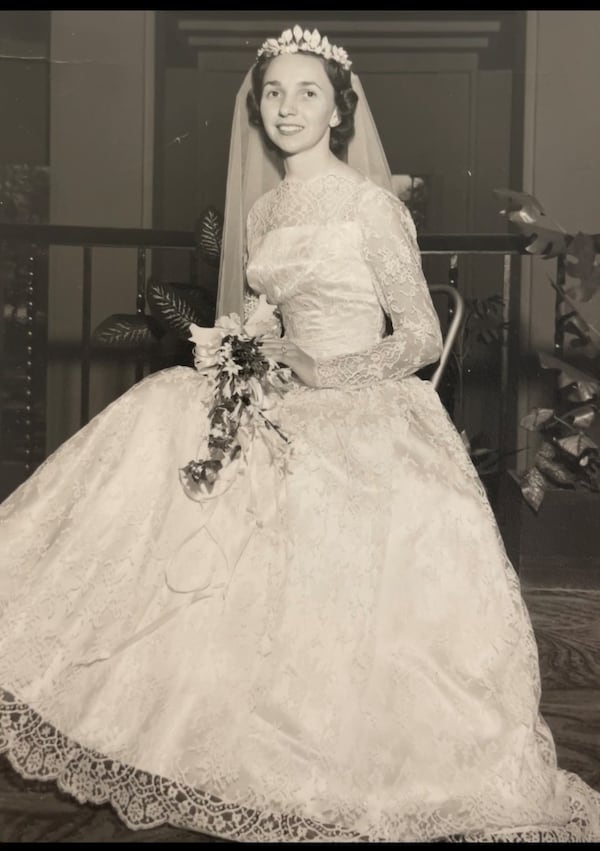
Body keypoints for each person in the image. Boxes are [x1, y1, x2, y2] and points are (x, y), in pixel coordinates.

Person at [0, 24, 599, 844]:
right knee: (164, 412)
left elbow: (421, 335)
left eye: (306, 92)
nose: (287, 108)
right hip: (278, 395)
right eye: (272, 92)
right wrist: (240, 355)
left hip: (362, 401)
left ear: (339, 111)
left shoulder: (371, 206)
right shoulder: (267, 208)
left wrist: (323, 371)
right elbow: (264, 316)